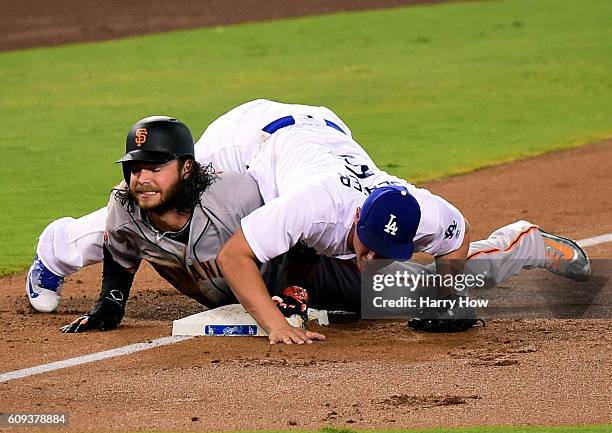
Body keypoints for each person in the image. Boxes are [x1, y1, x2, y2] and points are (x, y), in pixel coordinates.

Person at [28, 101, 590, 343]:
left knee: (418, 291)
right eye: (363, 246)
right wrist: (280, 319)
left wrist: (451, 295)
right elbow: (236, 255)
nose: (369, 256)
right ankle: (55, 252)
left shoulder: (422, 207)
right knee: (159, 202)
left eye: (378, 250)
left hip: (324, 130)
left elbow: (452, 244)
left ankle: (522, 242)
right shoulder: (305, 203)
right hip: (246, 138)